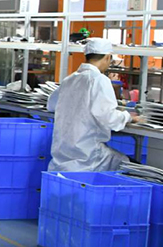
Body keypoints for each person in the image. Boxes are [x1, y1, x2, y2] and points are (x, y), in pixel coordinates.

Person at [47, 38, 142, 172]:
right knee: (132, 167)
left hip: (63, 154)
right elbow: (108, 117)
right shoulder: (99, 80)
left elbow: (51, 104)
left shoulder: (70, 79)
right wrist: (129, 117)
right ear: (107, 57)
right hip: (88, 155)